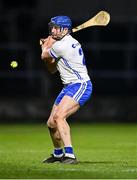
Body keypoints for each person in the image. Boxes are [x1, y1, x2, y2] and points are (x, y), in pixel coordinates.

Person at [40, 16, 92, 164]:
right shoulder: (62, 43)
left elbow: (44, 55)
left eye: (56, 28)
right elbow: (52, 69)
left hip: (80, 85)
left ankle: (70, 155)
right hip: (68, 86)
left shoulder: (62, 45)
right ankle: (57, 154)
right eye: (53, 27)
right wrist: (49, 46)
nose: (53, 30)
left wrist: (45, 45)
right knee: (51, 123)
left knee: (59, 116)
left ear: (65, 30)